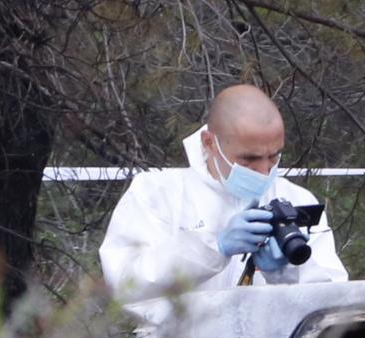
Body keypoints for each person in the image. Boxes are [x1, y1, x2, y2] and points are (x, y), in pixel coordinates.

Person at [99, 84, 347, 319]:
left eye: (273, 156)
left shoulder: (297, 199)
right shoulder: (158, 193)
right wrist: (213, 247)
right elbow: (125, 284)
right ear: (209, 142)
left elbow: (332, 300)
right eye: (249, 159)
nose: (263, 171)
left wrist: (284, 274)